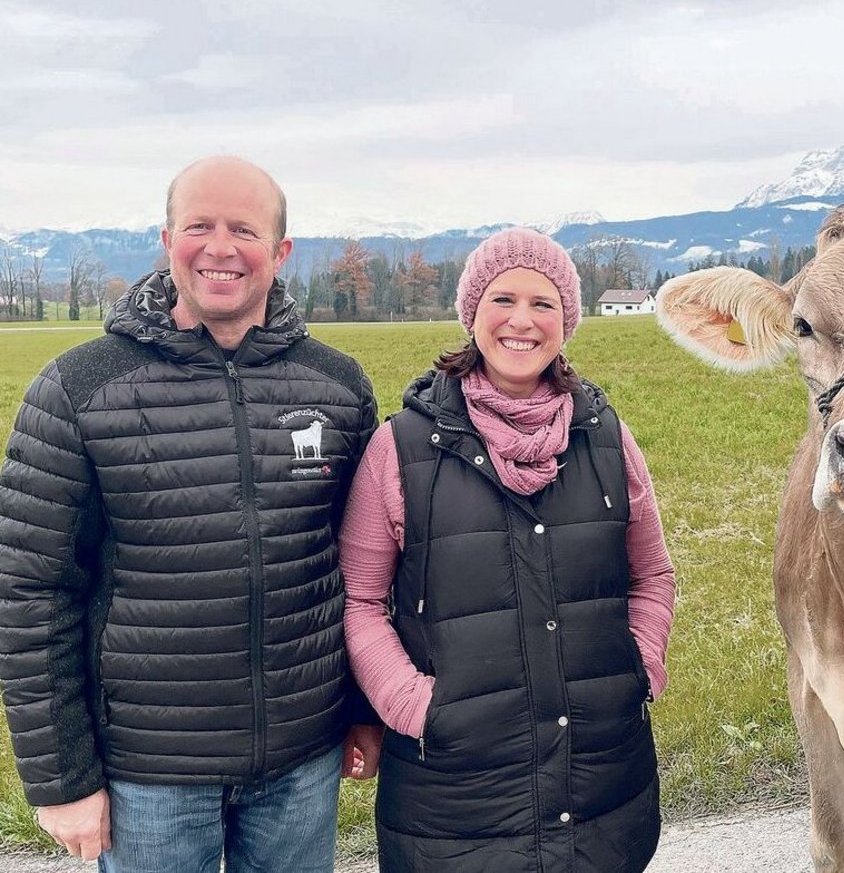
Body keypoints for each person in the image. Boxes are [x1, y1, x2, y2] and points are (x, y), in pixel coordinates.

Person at [0, 156, 382, 872]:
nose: (220, 247)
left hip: (302, 761)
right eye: (199, 225)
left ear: (280, 251)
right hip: (149, 774)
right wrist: (62, 781)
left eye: (244, 228)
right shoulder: (79, 388)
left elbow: (362, 569)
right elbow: (29, 593)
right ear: (167, 237)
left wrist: (361, 708)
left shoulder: (336, 386)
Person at [340, 226, 676, 872]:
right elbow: (360, 600)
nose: (522, 321)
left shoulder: (605, 437)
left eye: (543, 303)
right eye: (503, 300)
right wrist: (415, 706)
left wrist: (640, 667)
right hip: (453, 799)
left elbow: (652, 574)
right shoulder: (403, 448)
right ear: (473, 313)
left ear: (565, 322)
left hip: (602, 785)